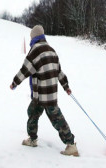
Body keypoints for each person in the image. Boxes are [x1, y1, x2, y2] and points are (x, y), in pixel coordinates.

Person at [9, 25, 79, 157]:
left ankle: (71, 145)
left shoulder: (35, 51)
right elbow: (59, 72)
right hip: (47, 93)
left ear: (33, 37)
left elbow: (24, 70)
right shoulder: (52, 50)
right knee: (32, 112)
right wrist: (66, 86)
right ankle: (33, 139)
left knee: (56, 118)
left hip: (42, 94)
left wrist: (14, 83)